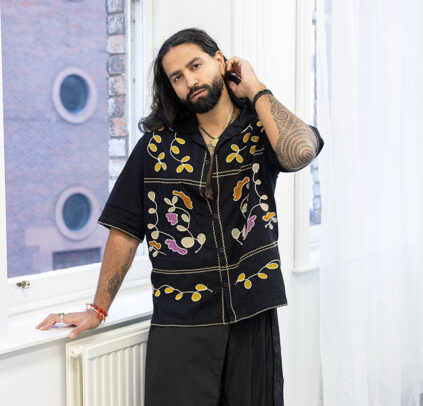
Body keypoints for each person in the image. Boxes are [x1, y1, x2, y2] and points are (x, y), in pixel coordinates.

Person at [35, 27, 324, 405]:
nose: (190, 80)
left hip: (251, 313)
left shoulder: (259, 130)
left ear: (220, 61)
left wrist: (255, 88)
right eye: (177, 76)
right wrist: (97, 309)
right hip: (180, 321)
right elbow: (125, 229)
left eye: (196, 66)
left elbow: (301, 151)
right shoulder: (156, 146)